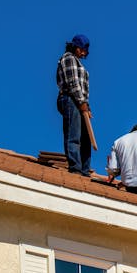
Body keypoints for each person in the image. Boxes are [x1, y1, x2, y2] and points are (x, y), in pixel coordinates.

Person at [57, 34, 92, 176]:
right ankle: (76, 168)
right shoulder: (69, 58)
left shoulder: (78, 62)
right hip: (71, 99)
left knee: (86, 138)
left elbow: (83, 88)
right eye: (82, 50)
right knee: (74, 135)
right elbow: (73, 83)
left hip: (80, 102)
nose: (83, 53)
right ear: (75, 47)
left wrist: (86, 107)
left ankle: (85, 170)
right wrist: (81, 102)